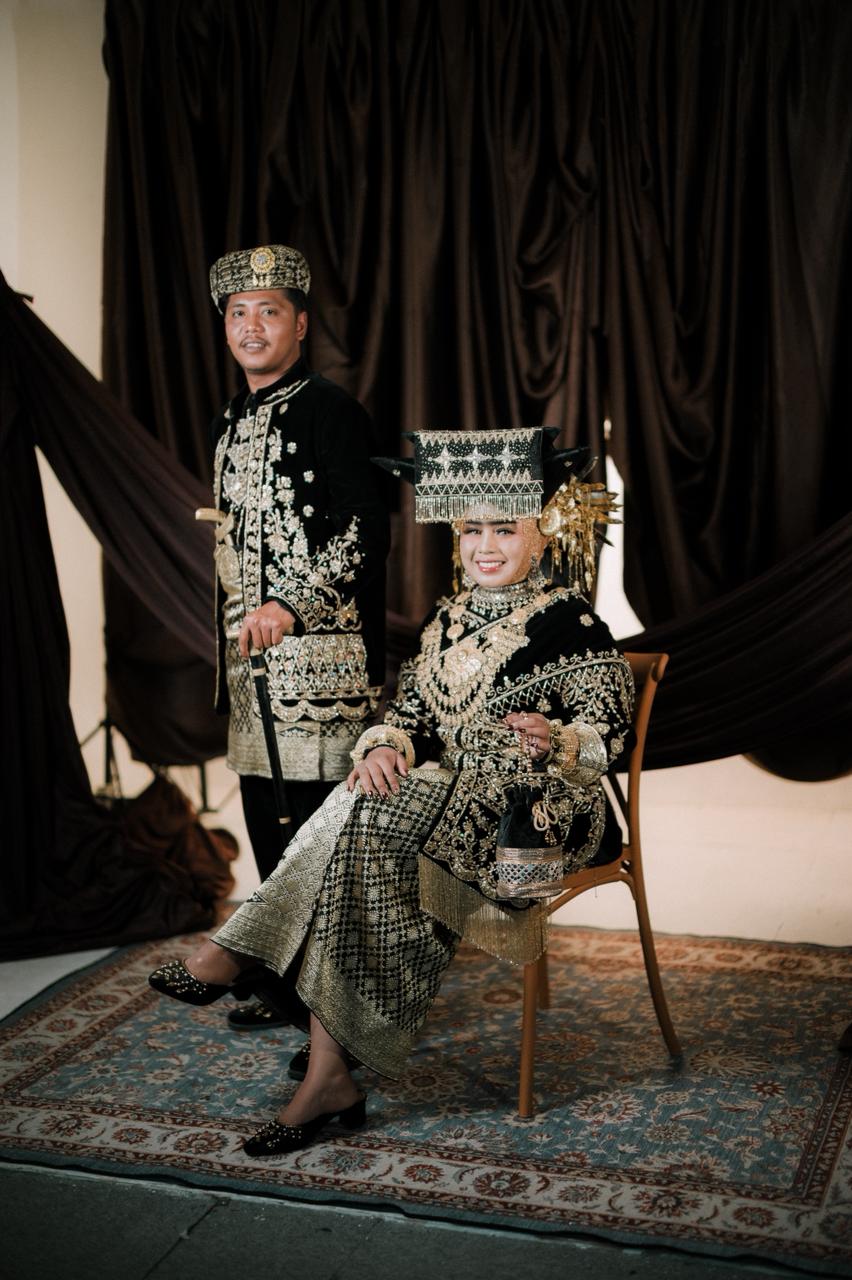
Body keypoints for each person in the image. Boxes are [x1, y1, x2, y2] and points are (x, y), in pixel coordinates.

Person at [150, 428, 633, 1155]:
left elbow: (607, 738)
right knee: (365, 805)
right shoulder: (448, 619)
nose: (485, 546)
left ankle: (246, 955)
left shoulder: (574, 622)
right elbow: (410, 715)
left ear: (542, 533)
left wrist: (556, 737)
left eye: (505, 528)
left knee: (368, 818)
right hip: (449, 795)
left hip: (539, 812)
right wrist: (384, 745)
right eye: (471, 530)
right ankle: (327, 1071)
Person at [204, 244, 389, 1035]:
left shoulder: (331, 410)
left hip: (323, 670)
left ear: (301, 324)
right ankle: (289, 995)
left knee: (322, 848)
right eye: (238, 313)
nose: (251, 326)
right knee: (269, 838)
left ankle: (338, 1024)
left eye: (269, 311)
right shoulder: (230, 419)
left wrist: (292, 603)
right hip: (252, 671)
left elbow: (365, 531)